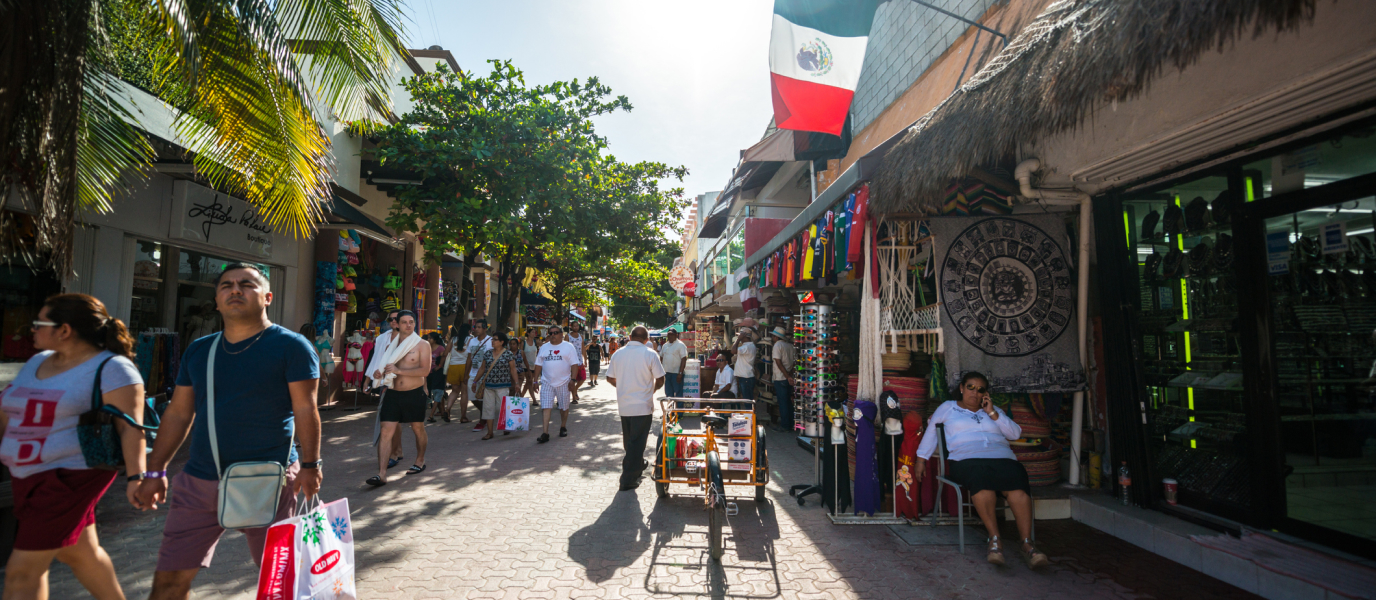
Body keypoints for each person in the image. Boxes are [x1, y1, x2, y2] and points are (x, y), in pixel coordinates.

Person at [135, 264, 322, 599]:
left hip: (268, 479)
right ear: (217, 301)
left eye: (246, 284)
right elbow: (178, 413)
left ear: (267, 297)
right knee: (168, 584)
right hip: (200, 481)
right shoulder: (200, 349)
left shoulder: (292, 347)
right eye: (226, 286)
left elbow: (306, 409)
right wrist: (155, 469)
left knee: (279, 585)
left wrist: (311, 465)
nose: (235, 290)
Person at [0, 294, 146, 600]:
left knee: (21, 571)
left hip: (68, 479)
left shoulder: (113, 368)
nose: (32, 330)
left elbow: (130, 428)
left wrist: (137, 478)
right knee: (78, 553)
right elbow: (10, 410)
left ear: (64, 330)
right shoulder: (37, 361)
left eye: (39, 323)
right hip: (26, 475)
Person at [913, 371, 1049, 568]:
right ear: (961, 388)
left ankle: (1027, 544)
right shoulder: (948, 407)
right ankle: (995, 540)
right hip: (966, 459)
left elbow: (1014, 433)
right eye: (970, 387)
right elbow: (932, 431)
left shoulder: (994, 412)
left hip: (1002, 459)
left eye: (980, 390)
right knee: (980, 480)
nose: (974, 393)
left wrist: (992, 413)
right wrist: (921, 460)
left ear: (985, 394)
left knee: (1017, 479)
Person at [367, 311, 429, 485]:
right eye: (404, 322)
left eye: (411, 322)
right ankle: (382, 474)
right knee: (386, 432)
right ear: (397, 324)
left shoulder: (422, 345)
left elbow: (424, 371)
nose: (408, 325)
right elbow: (381, 367)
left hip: (414, 393)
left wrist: (399, 370)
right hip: (392, 393)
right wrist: (378, 373)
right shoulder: (390, 346)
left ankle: (420, 460)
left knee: (418, 429)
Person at [606, 327, 665, 491]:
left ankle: (638, 465)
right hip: (643, 405)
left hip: (624, 405)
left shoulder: (618, 353)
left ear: (630, 337)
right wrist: (653, 389)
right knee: (637, 442)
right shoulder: (650, 354)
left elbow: (610, 377)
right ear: (646, 339)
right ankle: (628, 479)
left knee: (630, 441)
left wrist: (623, 386)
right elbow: (661, 379)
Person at [532, 326, 580, 443]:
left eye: (556, 333)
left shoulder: (568, 347)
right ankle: (545, 433)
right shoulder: (544, 347)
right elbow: (538, 365)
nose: (553, 335)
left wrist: (573, 380)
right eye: (551, 333)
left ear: (561, 334)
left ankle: (563, 426)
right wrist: (535, 381)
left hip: (564, 382)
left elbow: (574, 365)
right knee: (546, 407)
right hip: (547, 382)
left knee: (564, 407)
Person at [470, 332, 519, 440]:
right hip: (488, 386)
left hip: (503, 386)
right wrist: (475, 381)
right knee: (488, 409)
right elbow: (482, 369)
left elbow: (513, 369)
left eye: (495, 340)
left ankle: (506, 426)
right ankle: (490, 432)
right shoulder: (487, 353)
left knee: (502, 408)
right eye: (492, 339)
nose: (492, 341)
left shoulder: (508, 354)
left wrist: (516, 383)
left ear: (502, 342)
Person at [463, 320, 493, 430]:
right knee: (472, 397)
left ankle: (482, 420)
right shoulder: (472, 341)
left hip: (486, 374)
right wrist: (466, 374)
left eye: (479, 327)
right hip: (473, 373)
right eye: (476, 327)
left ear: (485, 328)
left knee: (484, 398)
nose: (476, 329)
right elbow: (469, 358)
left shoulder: (490, 341)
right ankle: (485, 414)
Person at [441, 323, 473, 422]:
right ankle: (463, 417)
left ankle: (447, 409)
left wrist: (440, 366)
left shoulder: (453, 339)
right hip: (465, 367)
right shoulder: (471, 339)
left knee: (454, 391)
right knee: (464, 392)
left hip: (453, 367)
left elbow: (445, 354)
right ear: (469, 331)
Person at [769, 326, 796, 433]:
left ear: (776, 337)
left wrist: (787, 376)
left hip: (781, 378)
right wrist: (790, 374)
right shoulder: (790, 346)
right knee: (789, 402)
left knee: (783, 402)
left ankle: (785, 425)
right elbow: (794, 362)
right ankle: (791, 423)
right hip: (788, 377)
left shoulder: (777, 345)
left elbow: (778, 363)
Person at [425, 332, 449, 423]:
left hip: (438, 374)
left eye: (430, 338)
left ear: (435, 339)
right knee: (436, 394)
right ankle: (442, 413)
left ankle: (431, 415)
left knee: (437, 393)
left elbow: (445, 358)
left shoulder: (440, 348)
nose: (428, 340)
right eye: (428, 338)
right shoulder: (427, 347)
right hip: (428, 373)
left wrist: (439, 366)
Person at [658, 330, 688, 398]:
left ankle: (678, 408)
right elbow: (661, 357)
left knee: (678, 394)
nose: (670, 336)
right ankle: (670, 408)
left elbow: (684, 359)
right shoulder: (665, 345)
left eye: (672, 334)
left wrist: (680, 373)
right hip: (667, 373)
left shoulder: (680, 345)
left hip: (676, 374)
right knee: (668, 394)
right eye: (668, 334)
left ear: (676, 335)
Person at [732, 330, 758, 406]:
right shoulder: (751, 345)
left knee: (747, 402)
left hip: (745, 377)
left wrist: (738, 339)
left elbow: (733, 350)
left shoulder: (746, 347)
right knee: (749, 401)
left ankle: (750, 417)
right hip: (747, 377)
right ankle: (751, 416)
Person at [566, 322, 587, 403]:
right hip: (570, 362)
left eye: (577, 326)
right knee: (572, 379)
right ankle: (574, 398)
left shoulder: (581, 336)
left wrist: (585, 359)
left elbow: (583, 348)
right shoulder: (568, 336)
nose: (575, 327)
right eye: (574, 326)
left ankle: (575, 389)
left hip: (579, 361)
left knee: (583, 378)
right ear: (571, 327)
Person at [522, 328, 541, 397]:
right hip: (525, 365)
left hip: (534, 365)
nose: (534, 334)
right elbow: (521, 353)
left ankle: (521, 396)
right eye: (532, 332)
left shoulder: (536, 342)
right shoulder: (523, 343)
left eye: (534, 332)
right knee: (529, 381)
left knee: (528, 383)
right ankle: (534, 399)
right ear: (528, 333)